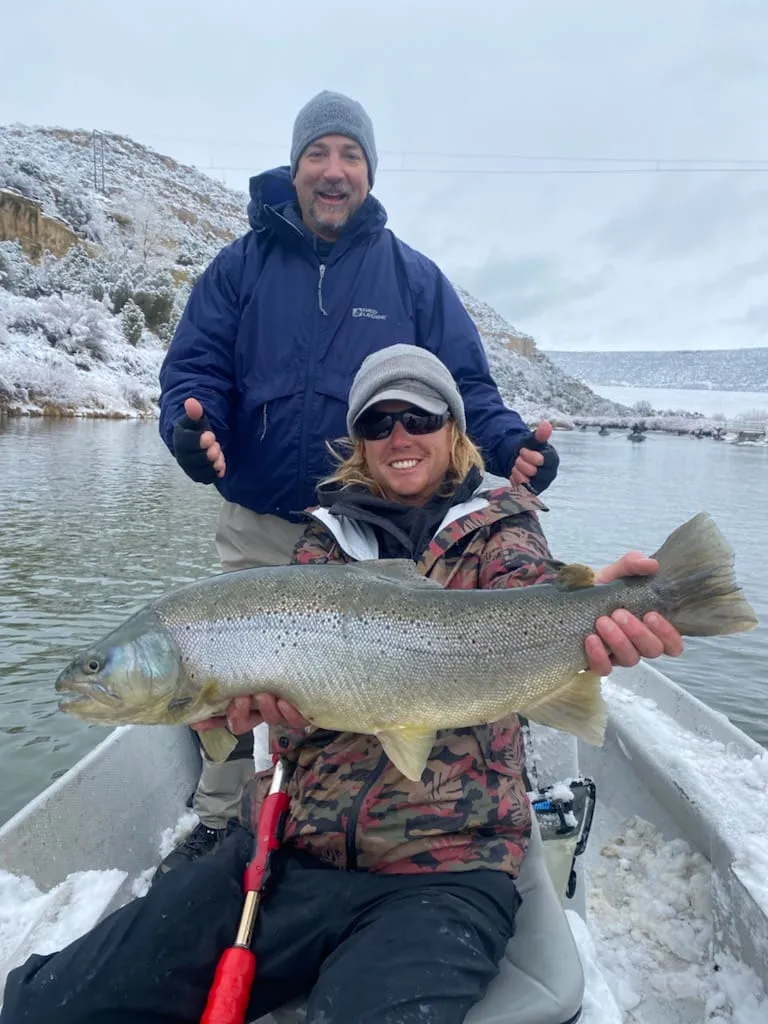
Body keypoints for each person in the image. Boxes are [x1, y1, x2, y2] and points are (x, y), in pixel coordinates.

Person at [2, 346, 683, 1024]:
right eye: (378, 422)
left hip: (446, 871)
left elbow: (525, 592)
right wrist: (246, 716)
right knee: (43, 1006)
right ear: (359, 441)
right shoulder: (321, 542)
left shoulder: (503, 528)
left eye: (420, 417)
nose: (400, 435)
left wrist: (592, 605)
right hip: (291, 852)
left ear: (453, 428)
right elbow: (297, 702)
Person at [155, 89, 560, 873]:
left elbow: (465, 388)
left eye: (350, 155)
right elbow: (195, 371)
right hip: (262, 524)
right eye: (319, 154)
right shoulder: (237, 269)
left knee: (369, 682)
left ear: (370, 173)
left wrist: (511, 445)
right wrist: (191, 431)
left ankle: (384, 814)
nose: (333, 170)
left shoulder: (413, 277)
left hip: (373, 536)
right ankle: (220, 820)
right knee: (230, 686)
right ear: (295, 167)